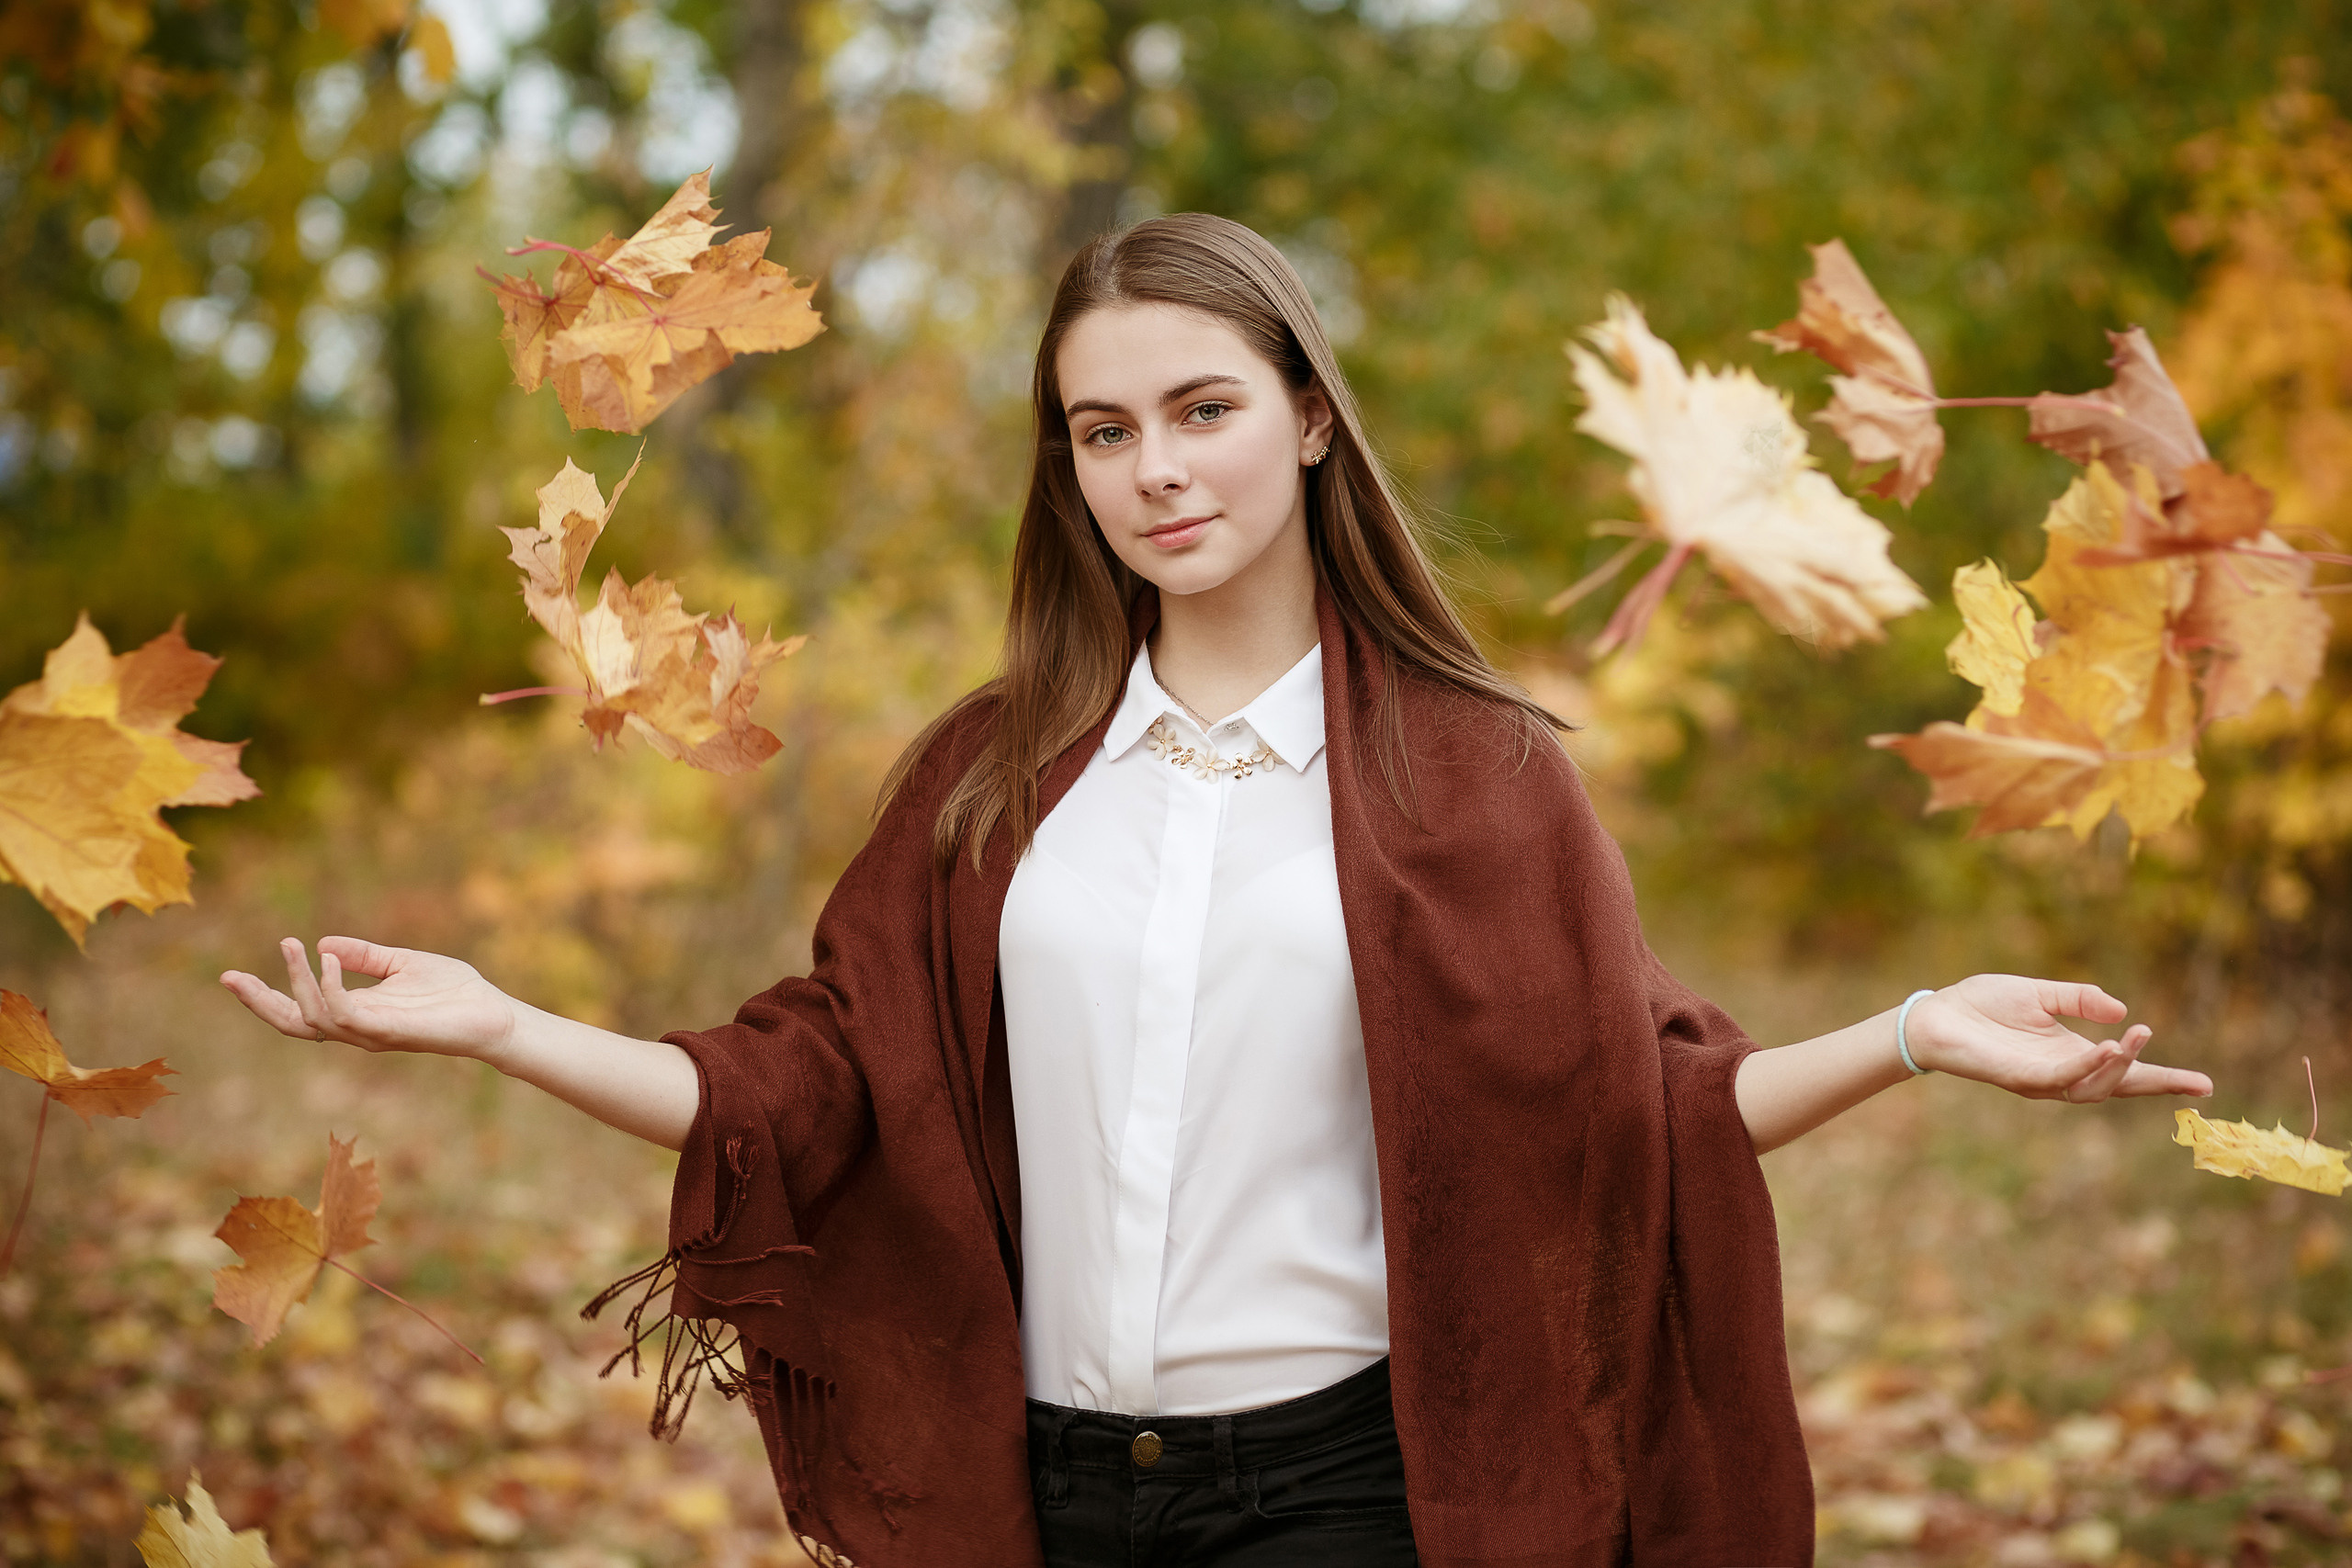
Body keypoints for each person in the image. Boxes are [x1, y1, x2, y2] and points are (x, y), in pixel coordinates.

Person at [222, 213, 2213, 1568]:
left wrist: (1911, 1032)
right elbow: (803, 1086)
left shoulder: (1476, 774)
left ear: (1309, 417)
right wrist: (498, 1023)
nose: (1155, 470)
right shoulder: (994, 774)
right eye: (1104, 431)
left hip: (1343, 1498)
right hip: (1044, 1498)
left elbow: (1640, 1109)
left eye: (1202, 409)